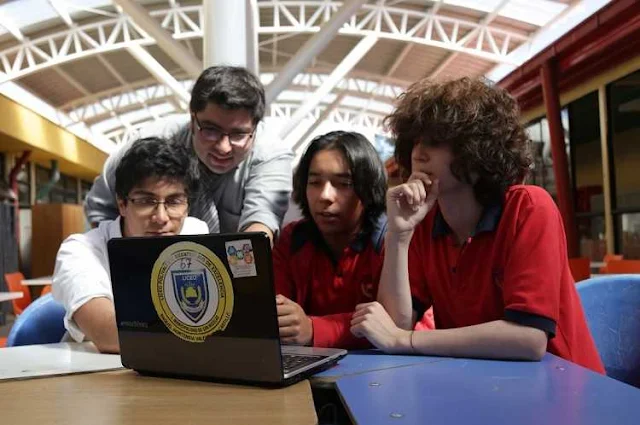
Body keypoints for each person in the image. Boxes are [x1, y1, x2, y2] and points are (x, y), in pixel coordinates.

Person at [350, 77, 605, 373]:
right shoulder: (423, 223)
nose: (418, 154)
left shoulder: (528, 207)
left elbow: (529, 338)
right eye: (415, 141)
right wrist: (398, 234)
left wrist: (405, 340)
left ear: (477, 151)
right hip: (480, 383)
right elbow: (392, 326)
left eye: (436, 141)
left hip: (566, 386)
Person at [84, 66, 293, 242]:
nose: (224, 147)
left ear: (255, 128)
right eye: (211, 130)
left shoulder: (271, 155)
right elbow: (101, 207)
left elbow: (261, 226)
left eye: (238, 134)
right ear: (192, 120)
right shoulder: (149, 143)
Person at [53, 137, 208, 353]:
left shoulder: (195, 232)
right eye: (146, 201)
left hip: (178, 364)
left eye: (174, 201)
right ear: (122, 204)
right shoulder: (80, 251)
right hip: (99, 369)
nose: (161, 217)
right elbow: (109, 334)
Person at [273, 131, 388, 349]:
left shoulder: (389, 241)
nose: (325, 195)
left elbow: (395, 323)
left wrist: (313, 329)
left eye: (344, 184)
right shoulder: (292, 239)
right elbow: (273, 316)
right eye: (315, 182)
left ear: (368, 188)